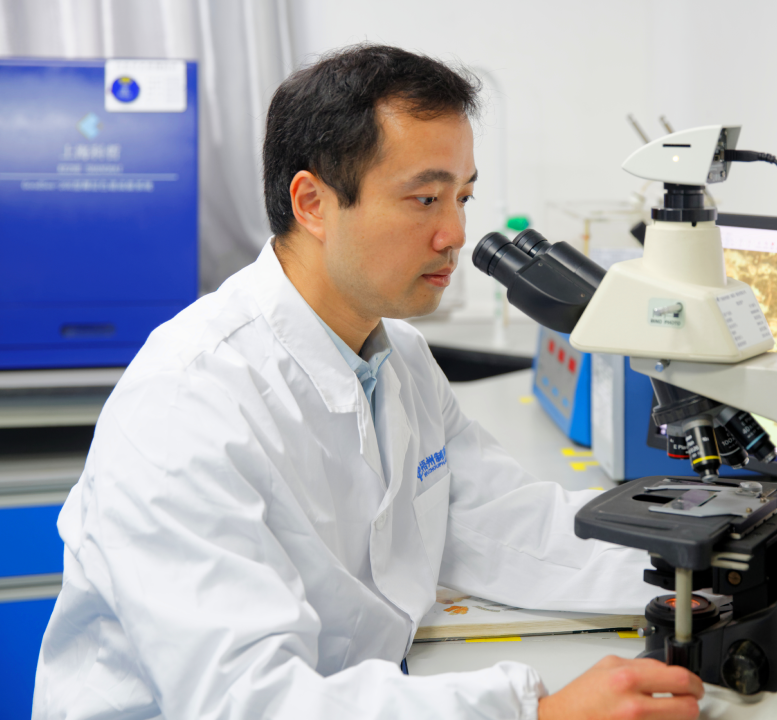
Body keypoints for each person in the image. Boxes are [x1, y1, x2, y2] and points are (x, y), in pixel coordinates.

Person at [33, 45, 703, 720]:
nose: (455, 234)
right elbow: (246, 702)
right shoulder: (187, 404)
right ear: (313, 203)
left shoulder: (397, 357)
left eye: (463, 197)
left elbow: (507, 525)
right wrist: (534, 713)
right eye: (425, 199)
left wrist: (709, 569)